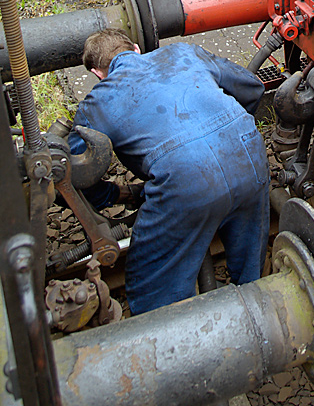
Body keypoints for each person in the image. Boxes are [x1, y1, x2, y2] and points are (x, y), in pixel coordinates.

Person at [68, 28, 269, 315]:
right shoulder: (183, 52)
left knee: (155, 293)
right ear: (136, 48)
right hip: (248, 151)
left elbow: (75, 174)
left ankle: (179, 346)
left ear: (98, 74)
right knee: (251, 269)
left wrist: (111, 195)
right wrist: (232, 130)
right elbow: (252, 86)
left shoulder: (97, 102)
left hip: (185, 180)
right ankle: (260, 320)